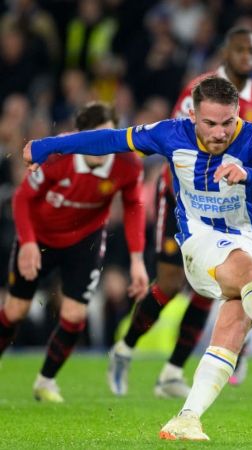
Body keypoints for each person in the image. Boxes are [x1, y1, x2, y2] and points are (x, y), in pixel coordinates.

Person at [23, 76, 252, 441]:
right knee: (247, 274)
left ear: (237, 114)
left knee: (233, 327)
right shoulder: (170, 134)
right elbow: (111, 139)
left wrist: (248, 174)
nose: (220, 133)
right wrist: (47, 147)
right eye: (210, 123)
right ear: (193, 115)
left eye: (227, 122)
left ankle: (188, 417)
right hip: (200, 240)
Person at [107, 25, 252, 399]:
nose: (247, 57)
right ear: (226, 53)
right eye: (240, 50)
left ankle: (171, 371)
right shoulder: (200, 89)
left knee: (210, 288)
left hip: (229, 206)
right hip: (183, 200)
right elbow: (176, 139)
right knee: (168, 284)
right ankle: (125, 347)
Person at [0, 102, 149, 402]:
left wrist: (136, 259)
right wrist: (28, 242)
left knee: (75, 314)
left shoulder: (127, 163)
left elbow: (133, 206)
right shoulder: (58, 158)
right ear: (81, 135)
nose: (104, 144)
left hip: (84, 241)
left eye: (110, 136)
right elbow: (22, 199)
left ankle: (45, 381)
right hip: (40, 239)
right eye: (96, 136)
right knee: (16, 310)